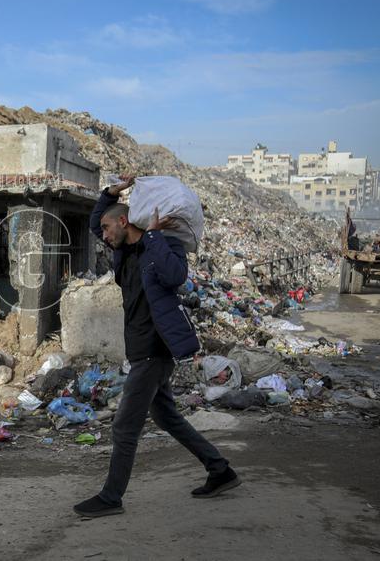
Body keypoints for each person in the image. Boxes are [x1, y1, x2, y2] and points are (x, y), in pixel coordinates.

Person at [73, 175, 240, 518]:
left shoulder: (162, 246)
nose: (102, 235)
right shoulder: (123, 251)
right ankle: (220, 470)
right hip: (141, 352)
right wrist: (110, 194)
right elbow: (95, 223)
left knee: (124, 426)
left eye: (107, 228)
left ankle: (111, 497)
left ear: (123, 222)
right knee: (167, 418)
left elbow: (176, 276)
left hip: (154, 351)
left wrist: (151, 233)